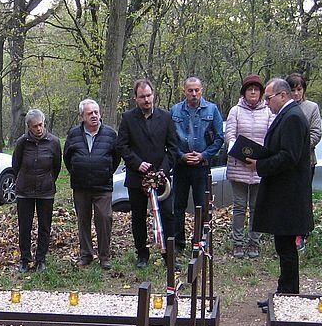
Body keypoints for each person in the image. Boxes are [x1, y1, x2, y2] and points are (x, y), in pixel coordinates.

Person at [246, 79, 313, 309]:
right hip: (283, 194)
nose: (266, 102)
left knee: (286, 249)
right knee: (283, 247)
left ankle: (288, 295)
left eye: (269, 97)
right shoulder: (287, 116)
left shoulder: (293, 118)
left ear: (283, 95)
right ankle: (285, 291)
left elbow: (289, 156)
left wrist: (260, 165)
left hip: (289, 195)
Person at [117, 80, 180, 268]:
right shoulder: (128, 118)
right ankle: (142, 255)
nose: (146, 100)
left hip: (161, 178)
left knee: (168, 215)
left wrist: (163, 169)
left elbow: (173, 148)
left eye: (149, 95)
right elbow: (122, 146)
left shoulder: (166, 117)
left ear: (154, 95)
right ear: (135, 98)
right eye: (142, 96)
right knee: (138, 216)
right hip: (137, 178)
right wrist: (138, 164)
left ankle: (168, 255)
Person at [63, 98, 119, 270]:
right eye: (90, 113)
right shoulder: (73, 134)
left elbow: (116, 157)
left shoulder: (110, 134)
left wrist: (105, 171)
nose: (94, 116)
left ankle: (104, 256)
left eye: (96, 112)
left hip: (103, 186)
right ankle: (86, 254)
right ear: (82, 117)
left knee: (104, 219)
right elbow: (67, 157)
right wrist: (78, 170)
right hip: (81, 187)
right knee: (83, 221)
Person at [170, 77, 225, 256]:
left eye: (197, 90)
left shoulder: (212, 109)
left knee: (202, 204)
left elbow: (219, 139)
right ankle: (179, 243)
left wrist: (203, 155)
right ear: (184, 91)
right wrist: (181, 155)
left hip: (202, 165)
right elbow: (170, 139)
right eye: (190, 90)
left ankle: (200, 242)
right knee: (178, 205)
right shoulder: (175, 111)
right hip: (181, 166)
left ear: (202, 90)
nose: (194, 94)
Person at [224, 73, 273, 259]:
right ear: (244, 92)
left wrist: (261, 160)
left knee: (256, 207)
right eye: (249, 89)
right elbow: (230, 135)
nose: (253, 92)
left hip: (259, 167)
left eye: (256, 89)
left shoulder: (268, 112)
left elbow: (270, 139)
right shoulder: (235, 111)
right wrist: (237, 151)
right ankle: (238, 242)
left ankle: (254, 241)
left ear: (261, 92)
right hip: (239, 166)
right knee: (239, 206)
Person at [11, 108, 62, 273]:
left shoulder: (53, 142)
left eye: (41, 125)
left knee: (44, 226)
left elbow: (57, 167)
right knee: (24, 227)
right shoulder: (21, 143)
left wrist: (47, 180)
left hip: (46, 191)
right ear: (28, 127)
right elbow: (15, 165)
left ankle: (41, 260)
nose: (39, 128)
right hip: (24, 190)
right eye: (35, 126)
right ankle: (25, 259)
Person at [287, 72, 322, 251]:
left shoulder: (311, 107)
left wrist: (299, 148)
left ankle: (302, 233)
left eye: (299, 89)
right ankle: (287, 231)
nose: (296, 94)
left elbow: (316, 132)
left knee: (303, 198)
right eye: (292, 90)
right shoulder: (282, 108)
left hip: (306, 161)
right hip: (286, 163)